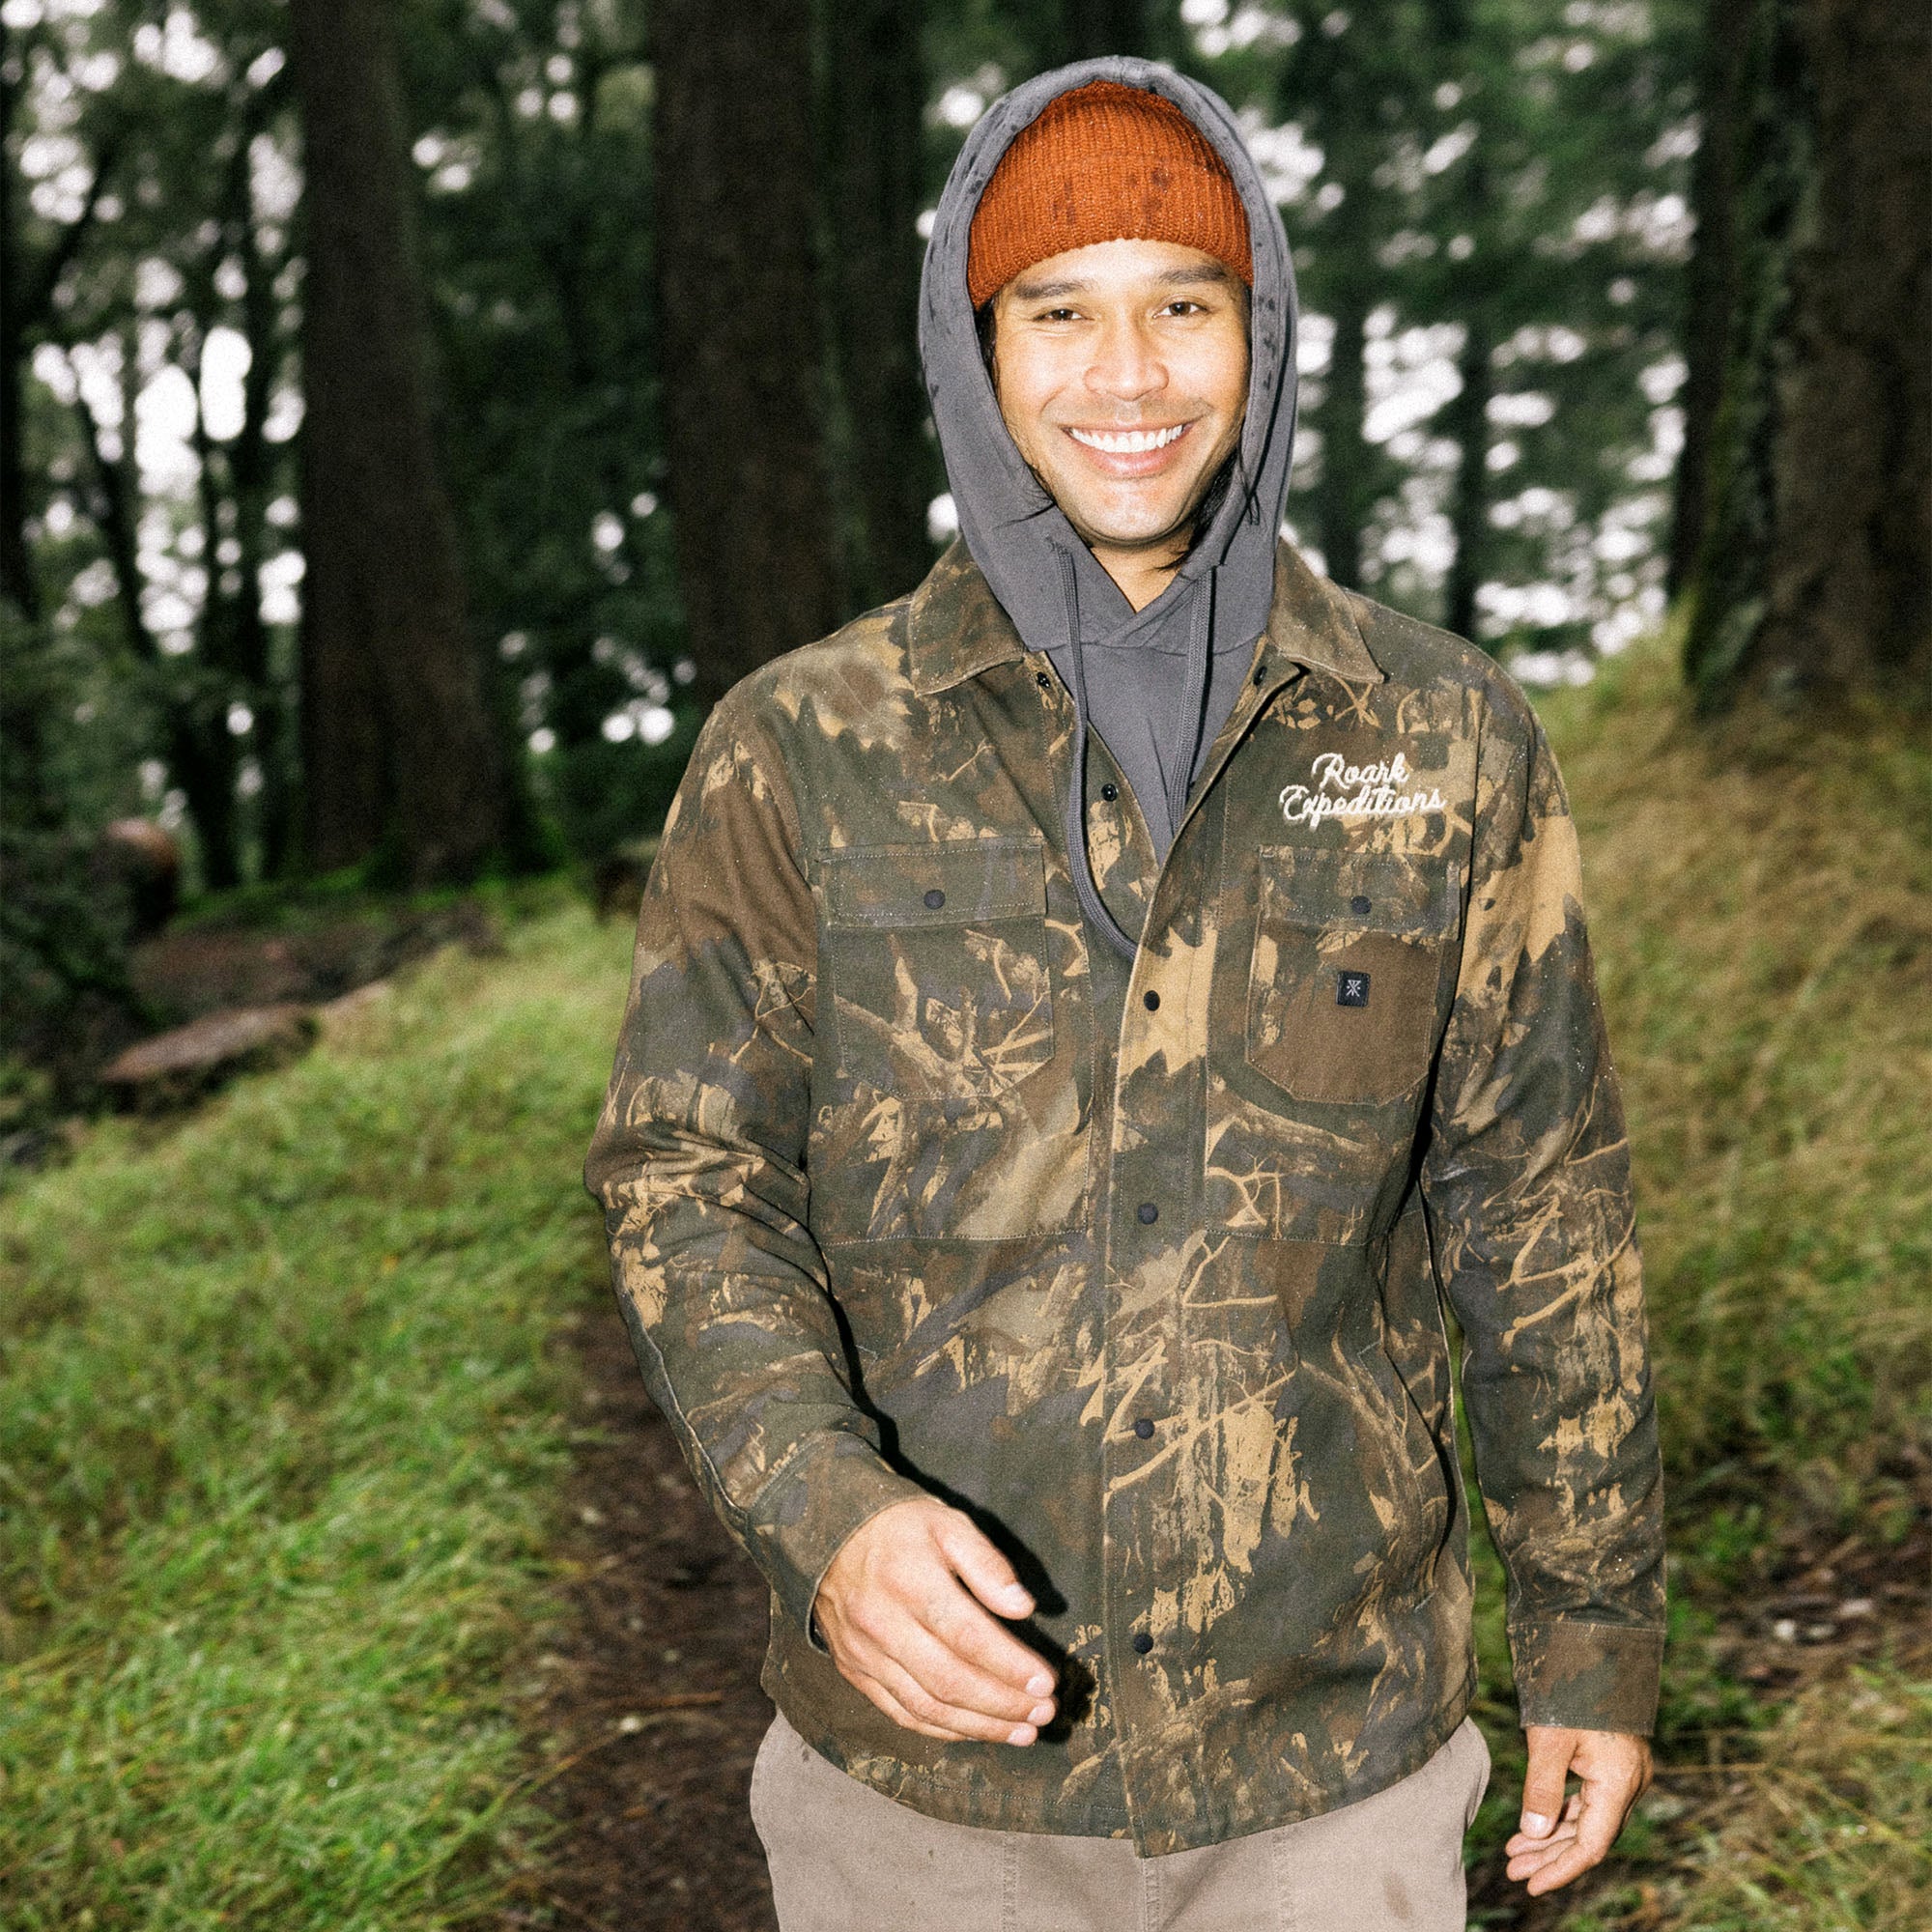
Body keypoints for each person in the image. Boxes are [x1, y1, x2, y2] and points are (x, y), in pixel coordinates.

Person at [586, 56, 1664, 1932]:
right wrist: (825, 1514)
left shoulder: (1441, 737)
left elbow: (1541, 1205)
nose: (1131, 374)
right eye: (1059, 312)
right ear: (972, 350)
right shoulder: (801, 746)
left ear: (1266, 329)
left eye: (1186, 301)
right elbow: (688, 1176)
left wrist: (1592, 1631)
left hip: (1331, 1767)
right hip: (922, 1786)